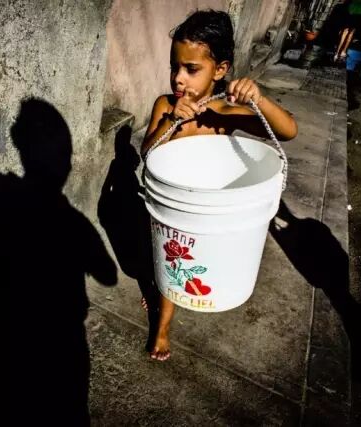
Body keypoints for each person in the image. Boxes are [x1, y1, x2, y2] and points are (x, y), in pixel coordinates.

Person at [141, 10, 298, 361]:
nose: (178, 78)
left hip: (209, 208)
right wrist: (169, 122)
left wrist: (258, 98)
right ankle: (162, 327)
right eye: (174, 67)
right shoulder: (165, 105)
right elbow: (147, 152)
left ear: (220, 70)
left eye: (191, 69)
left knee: (196, 262)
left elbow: (288, 130)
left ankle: (174, 291)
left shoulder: (224, 113)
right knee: (171, 265)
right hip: (174, 204)